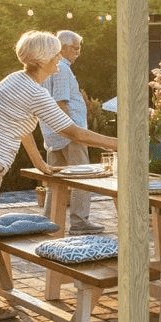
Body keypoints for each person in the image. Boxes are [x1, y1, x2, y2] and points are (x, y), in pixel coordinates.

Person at [0, 30, 118, 321]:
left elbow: (23, 126)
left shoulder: (16, 80)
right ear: (44, 59)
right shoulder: (34, 91)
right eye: (56, 55)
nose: (60, 60)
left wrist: (40, 162)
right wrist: (121, 143)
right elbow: (73, 132)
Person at [40, 30, 104, 235]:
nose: (79, 52)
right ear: (64, 47)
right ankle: (79, 221)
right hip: (69, 133)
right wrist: (73, 132)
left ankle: (49, 222)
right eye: (75, 48)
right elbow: (61, 102)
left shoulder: (49, 69)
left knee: (55, 182)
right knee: (82, 176)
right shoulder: (63, 69)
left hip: (52, 133)